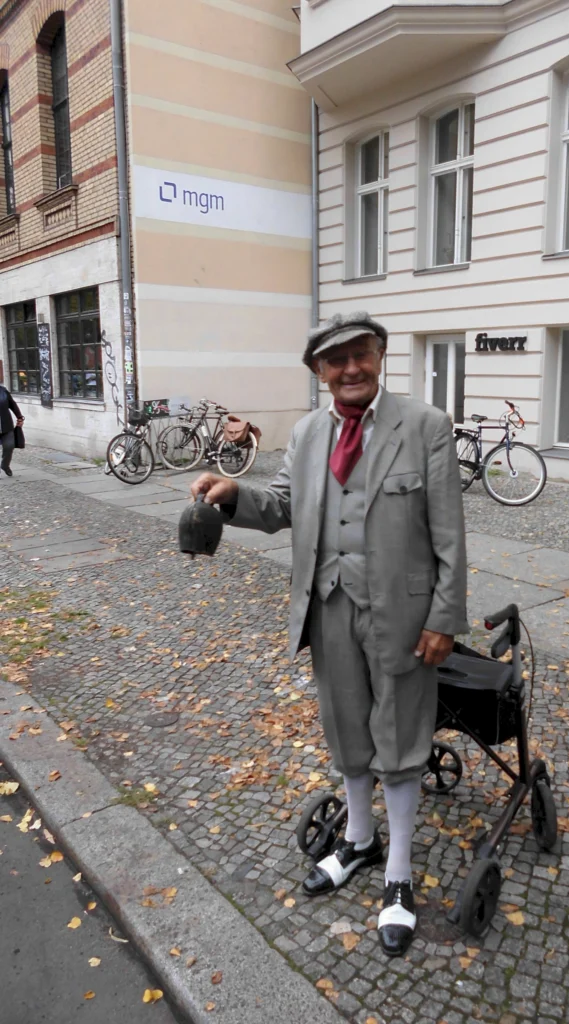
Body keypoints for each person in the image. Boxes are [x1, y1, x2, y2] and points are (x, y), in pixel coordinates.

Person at [191, 311, 468, 957]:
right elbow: (284, 506)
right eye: (334, 360)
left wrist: (444, 618)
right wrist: (234, 495)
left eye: (360, 355)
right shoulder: (312, 432)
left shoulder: (424, 426)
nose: (349, 368)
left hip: (402, 616)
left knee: (399, 739)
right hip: (330, 606)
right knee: (346, 730)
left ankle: (398, 872)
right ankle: (361, 842)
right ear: (319, 371)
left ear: (379, 356)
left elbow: (450, 533)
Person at [0, 383, 23, 478]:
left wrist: (19, 417)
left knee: (9, 446)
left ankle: (5, 465)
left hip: (6, 425)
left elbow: (12, 404)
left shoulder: (3, 391)